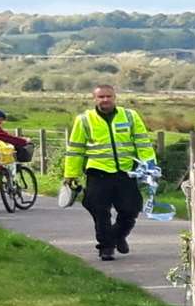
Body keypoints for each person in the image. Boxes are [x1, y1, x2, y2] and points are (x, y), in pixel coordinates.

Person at [62, 84, 157, 261]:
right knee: (99, 211)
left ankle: (117, 236)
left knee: (131, 209)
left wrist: (150, 167)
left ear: (114, 97)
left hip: (125, 171)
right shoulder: (84, 119)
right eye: (101, 97)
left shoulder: (130, 116)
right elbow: (75, 149)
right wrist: (71, 174)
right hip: (98, 172)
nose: (105, 100)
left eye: (108, 96)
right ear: (94, 99)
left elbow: (143, 143)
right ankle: (106, 247)